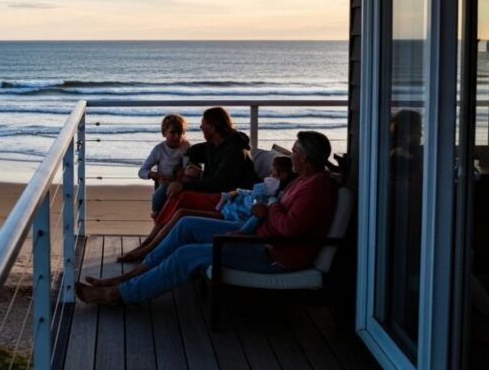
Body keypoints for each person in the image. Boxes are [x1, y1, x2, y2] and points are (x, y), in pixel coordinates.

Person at [77, 131, 337, 305]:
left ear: (304, 157)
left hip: (274, 254)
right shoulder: (305, 179)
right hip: (256, 235)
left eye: (294, 151)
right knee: (186, 224)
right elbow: (276, 208)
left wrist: (271, 208)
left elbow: (289, 228)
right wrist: (267, 209)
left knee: (186, 254)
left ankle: (118, 294)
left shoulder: (316, 188)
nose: (291, 154)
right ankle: (131, 275)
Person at [118, 107, 257, 262]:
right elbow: (191, 151)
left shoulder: (234, 150)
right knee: (179, 196)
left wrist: (183, 184)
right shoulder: (213, 144)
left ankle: (148, 248)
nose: (200, 127)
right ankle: (147, 245)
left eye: (203, 124)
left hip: (230, 199)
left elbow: (219, 183)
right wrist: (189, 166)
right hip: (219, 195)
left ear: (212, 126)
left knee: (181, 196)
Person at [219, 155, 295, 234]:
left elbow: (258, 213)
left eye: (272, 172)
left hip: (240, 216)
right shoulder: (271, 190)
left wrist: (242, 232)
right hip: (238, 208)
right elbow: (253, 194)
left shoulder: (272, 196)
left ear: (283, 174)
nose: (270, 174)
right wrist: (239, 191)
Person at [137, 113, 190, 219]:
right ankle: (156, 210)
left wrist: (181, 174)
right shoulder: (159, 149)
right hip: (163, 183)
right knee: (162, 191)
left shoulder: (185, 146)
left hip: (179, 183)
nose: (176, 136)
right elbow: (142, 171)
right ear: (164, 133)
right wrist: (156, 175)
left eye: (180, 133)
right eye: (172, 132)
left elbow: (187, 166)